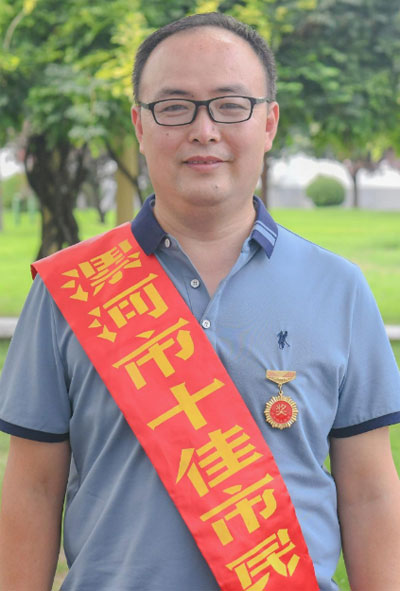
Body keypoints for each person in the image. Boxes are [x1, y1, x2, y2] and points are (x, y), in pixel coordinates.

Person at [0, 11, 400, 591]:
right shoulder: (68, 291)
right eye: (174, 107)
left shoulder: (339, 289)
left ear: (269, 122)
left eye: (231, 105)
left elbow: (369, 492)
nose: (204, 130)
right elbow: (32, 487)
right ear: (139, 124)